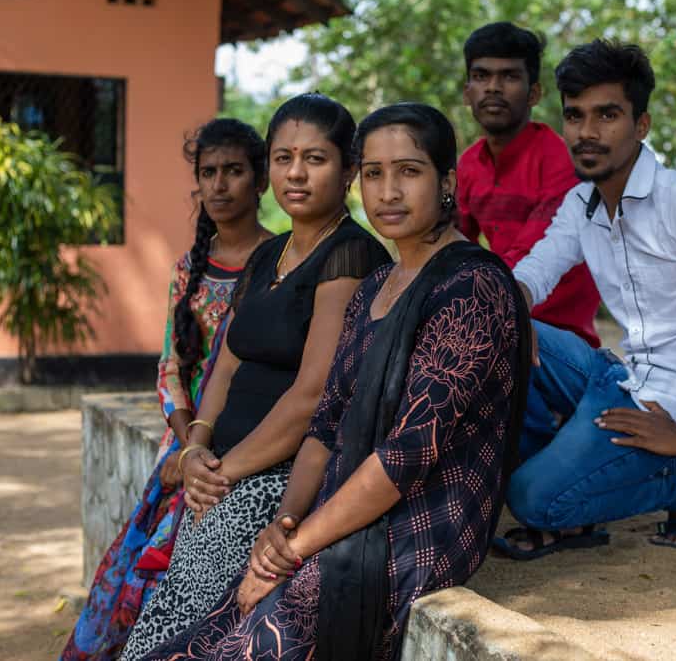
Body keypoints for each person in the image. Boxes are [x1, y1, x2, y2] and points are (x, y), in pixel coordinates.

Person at [135, 103, 530, 661]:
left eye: (408, 171)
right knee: (198, 634)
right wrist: (286, 520)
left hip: (419, 521)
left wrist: (293, 547)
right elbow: (326, 424)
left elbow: (406, 456)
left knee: (247, 639)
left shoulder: (472, 287)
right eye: (374, 173)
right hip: (333, 505)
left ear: (446, 182)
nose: (388, 191)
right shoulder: (375, 289)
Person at [494, 40, 676, 559]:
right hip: (619, 378)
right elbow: (533, 275)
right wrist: (513, 305)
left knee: (530, 499)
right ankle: (576, 483)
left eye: (607, 115)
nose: (587, 132)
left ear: (642, 125)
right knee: (495, 323)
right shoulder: (581, 202)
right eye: (575, 116)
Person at [120, 94, 391, 659]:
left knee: (184, 626)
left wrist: (220, 472)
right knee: (168, 610)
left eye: (315, 159)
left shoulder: (350, 256)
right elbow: (226, 364)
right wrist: (196, 447)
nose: (296, 173)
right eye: (284, 157)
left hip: (275, 478)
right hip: (219, 475)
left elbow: (311, 395)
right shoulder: (269, 257)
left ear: (347, 170)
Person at [61, 118, 272, 660]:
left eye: (234, 171)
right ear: (197, 183)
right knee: (147, 570)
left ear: (261, 180)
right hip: (185, 447)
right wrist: (187, 444)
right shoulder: (189, 270)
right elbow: (171, 369)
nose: (220, 185)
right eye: (209, 173)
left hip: (252, 443)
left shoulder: (281, 264)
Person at [458, 21, 599, 348]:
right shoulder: (467, 165)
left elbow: (530, 260)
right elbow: (450, 246)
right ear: (467, 92)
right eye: (481, 76)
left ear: (534, 92)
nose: (493, 87)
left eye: (509, 76)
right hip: (494, 316)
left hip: (557, 337)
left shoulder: (561, 162)